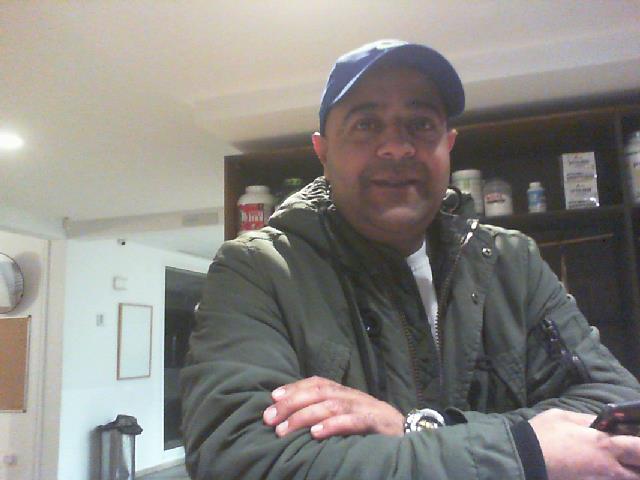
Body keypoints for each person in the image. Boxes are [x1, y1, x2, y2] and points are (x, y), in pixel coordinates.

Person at [181, 39, 640, 479]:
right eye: (365, 124)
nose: (397, 147)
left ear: (448, 145)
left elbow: (615, 406)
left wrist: (419, 427)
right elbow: (239, 460)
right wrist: (524, 451)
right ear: (323, 151)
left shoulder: (512, 261)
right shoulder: (256, 271)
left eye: (420, 124)